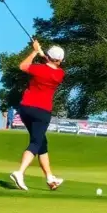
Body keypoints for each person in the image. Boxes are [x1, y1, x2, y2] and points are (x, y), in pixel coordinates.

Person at [9, 39, 66, 192]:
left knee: (42, 143)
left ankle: (50, 177)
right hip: (42, 111)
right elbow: (51, 65)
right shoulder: (60, 74)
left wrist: (34, 51)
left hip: (25, 108)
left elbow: (23, 66)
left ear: (48, 56)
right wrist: (40, 53)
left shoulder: (38, 69)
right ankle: (20, 172)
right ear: (60, 60)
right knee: (35, 142)